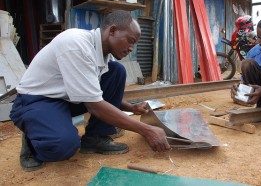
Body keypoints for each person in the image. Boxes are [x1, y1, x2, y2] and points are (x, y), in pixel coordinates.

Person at [10, 10, 170, 172]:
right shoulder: (76, 44)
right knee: (63, 146)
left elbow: (93, 93)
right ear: (112, 31)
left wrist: (131, 108)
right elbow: (94, 105)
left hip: (65, 99)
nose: (131, 48)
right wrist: (146, 130)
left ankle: (96, 137)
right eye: (130, 41)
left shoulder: (103, 54)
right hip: (35, 101)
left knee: (116, 71)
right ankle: (32, 136)